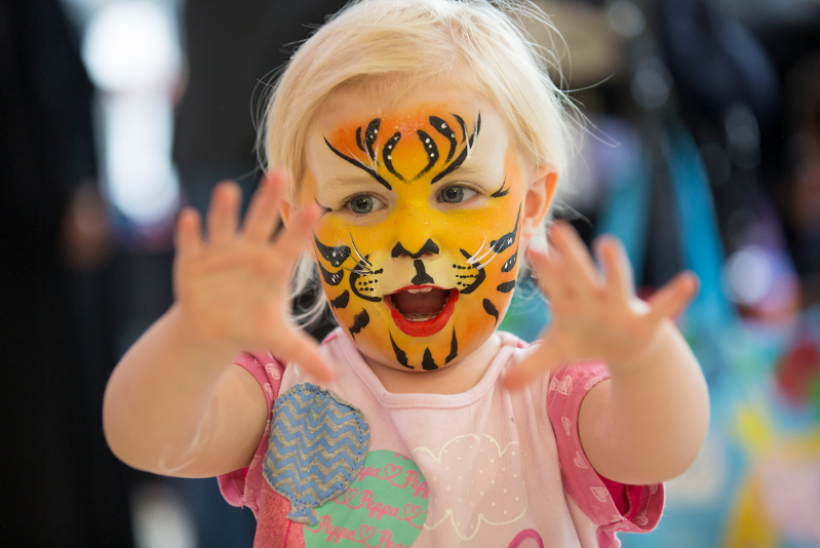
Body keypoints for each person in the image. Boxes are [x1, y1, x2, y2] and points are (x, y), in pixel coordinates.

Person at [103, 0, 710, 546]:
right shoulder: (282, 396)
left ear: (529, 205)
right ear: (301, 221)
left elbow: (665, 446)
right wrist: (193, 339)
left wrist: (644, 356)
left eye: (456, 192)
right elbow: (145, 436)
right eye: (363, 202)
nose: (414, 239)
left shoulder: (554, 397)